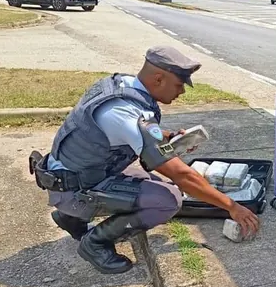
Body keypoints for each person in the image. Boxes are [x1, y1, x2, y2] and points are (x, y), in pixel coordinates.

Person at [29, 46, 260, 274]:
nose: (182, 93)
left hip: (74, 172)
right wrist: (232, 206)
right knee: (168, 199)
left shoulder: (122, 86)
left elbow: (124, 138)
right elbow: (182, 175)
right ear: (159, 79)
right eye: (179, 85)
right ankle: (94, 243)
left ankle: (70, 218)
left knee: (160, 186)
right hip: (73, 187)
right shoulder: (127, 113)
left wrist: (168, 138)